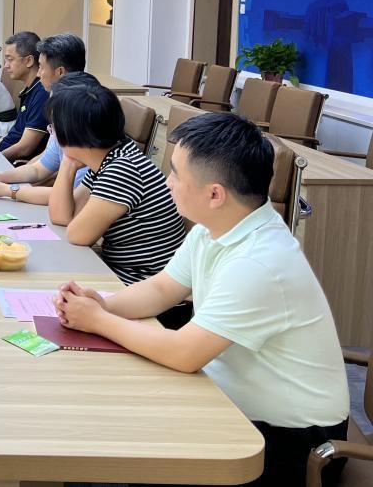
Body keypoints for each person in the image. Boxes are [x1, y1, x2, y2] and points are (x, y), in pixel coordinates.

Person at [55, 112, 350, 487]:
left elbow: (184, 353)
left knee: (130, 438)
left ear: (214, 194)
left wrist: (98, 320)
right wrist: (103, 304)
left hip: (293, 441)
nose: (167, 181)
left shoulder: (260, 262)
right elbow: (162, 288)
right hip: (229, 396)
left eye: (176, 174)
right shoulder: (217, 227)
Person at [47, 82, 189, 327]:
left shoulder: (123, 169)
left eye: (54, 129)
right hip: (129, 280)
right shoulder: (113, 156)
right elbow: (62, 216)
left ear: (73, 134)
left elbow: (77, 234)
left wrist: (69, 159)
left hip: (151, 300)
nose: (53, 135)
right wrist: (69, 163)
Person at [0, 35, 89, 204]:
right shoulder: (59, 98)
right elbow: (40, 168)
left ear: (60, 72)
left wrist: (10, 190)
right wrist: (1, 176)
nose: (38, 73)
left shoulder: (78, 109)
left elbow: (70, 198)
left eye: (42, 67)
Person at [0, 31, 50, 161]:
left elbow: (25, 147)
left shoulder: (42, 93)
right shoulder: (29, 89)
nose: (6, 66)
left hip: (14, 163)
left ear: (29, 61)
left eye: (10, 59)